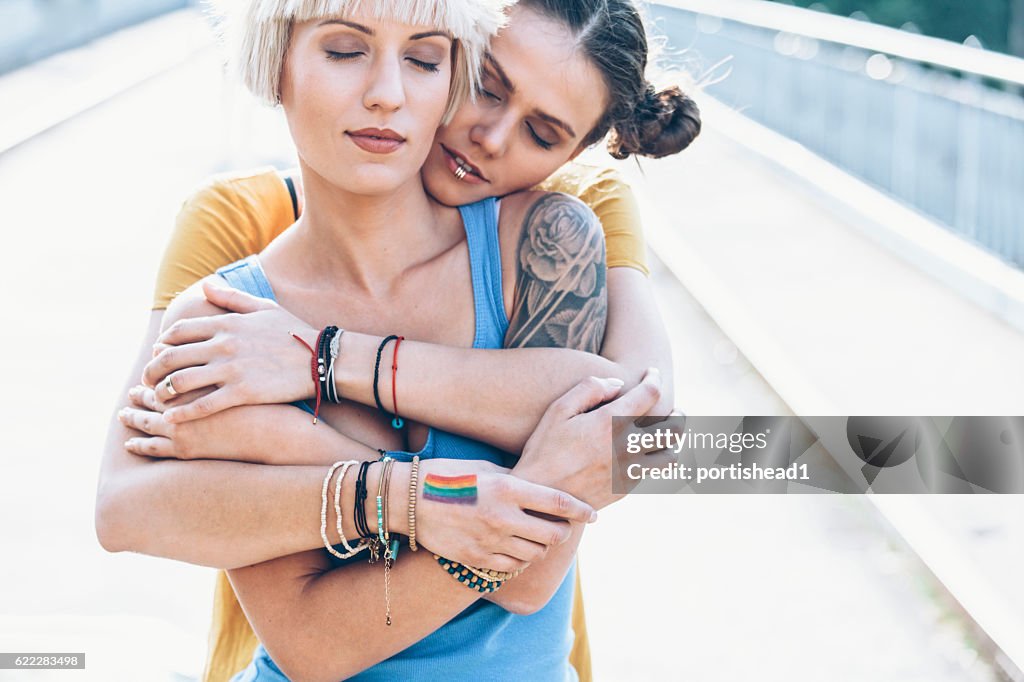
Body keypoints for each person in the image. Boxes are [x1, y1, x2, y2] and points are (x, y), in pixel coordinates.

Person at [96, 0, 699, 679]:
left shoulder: (547, 239)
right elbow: (311, 645)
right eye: (345, 51)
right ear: (275, 64)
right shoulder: (233, 309)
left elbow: (547, 552)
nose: (387, 94)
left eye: (423, 58)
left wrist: (318, 378)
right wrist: (423, 497)